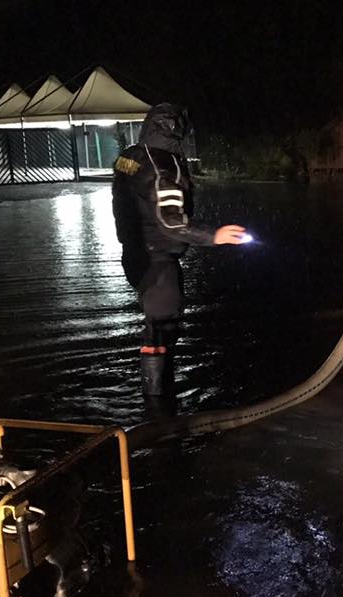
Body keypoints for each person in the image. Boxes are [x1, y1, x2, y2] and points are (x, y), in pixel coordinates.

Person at [112, 102, 248, 398]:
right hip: (159, 261)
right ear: (176, 131)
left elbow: (127, 195)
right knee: (161, 332)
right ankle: (160, 409)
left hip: (135, 256)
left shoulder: (129, 158)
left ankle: (157, 403)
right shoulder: (165, 166)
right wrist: (215, 235)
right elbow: (170, 222)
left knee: (155, 328)